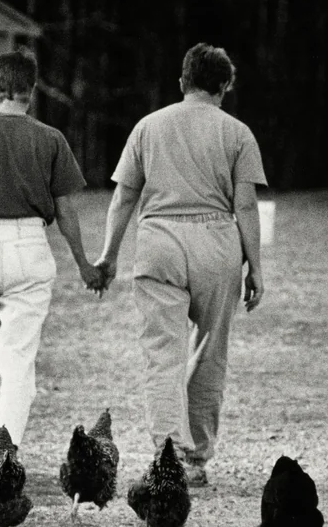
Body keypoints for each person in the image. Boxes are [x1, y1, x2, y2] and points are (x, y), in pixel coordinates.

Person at [94, 43, 266, 486]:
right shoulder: (238, 133)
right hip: (216, 243)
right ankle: (196, 458)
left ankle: (169, 451)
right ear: (225, 85)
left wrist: (109, 254)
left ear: (182, 82)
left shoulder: (148, 127)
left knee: (162, 354)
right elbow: (245, 205)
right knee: (209, 351)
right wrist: (256, 268)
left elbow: (124, 197)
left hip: (160, 242)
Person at [0, 49, 104, 448]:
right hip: (30, 247)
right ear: (31, 91)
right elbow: (66, 210)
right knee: (18, 360)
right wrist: (83, 264)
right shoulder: (50, 139)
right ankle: (6, 453)